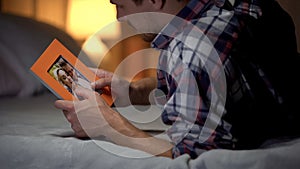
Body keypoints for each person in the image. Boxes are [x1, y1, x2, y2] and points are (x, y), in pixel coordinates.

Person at [54, 0, 299, 159]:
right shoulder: (239, 8)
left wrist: (109, 125)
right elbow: (212, 77)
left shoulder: (190, 48)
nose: (119, 18)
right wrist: (133, 90)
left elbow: (196, 156)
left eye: (120, 5)